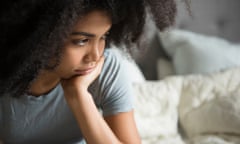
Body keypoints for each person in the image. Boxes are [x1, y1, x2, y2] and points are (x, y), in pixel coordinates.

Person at [0, 0, 177, 143]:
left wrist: (78, 96)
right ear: (42, 37)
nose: (95, 55)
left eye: (103, 37)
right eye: (82, 41)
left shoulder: (107, 68)